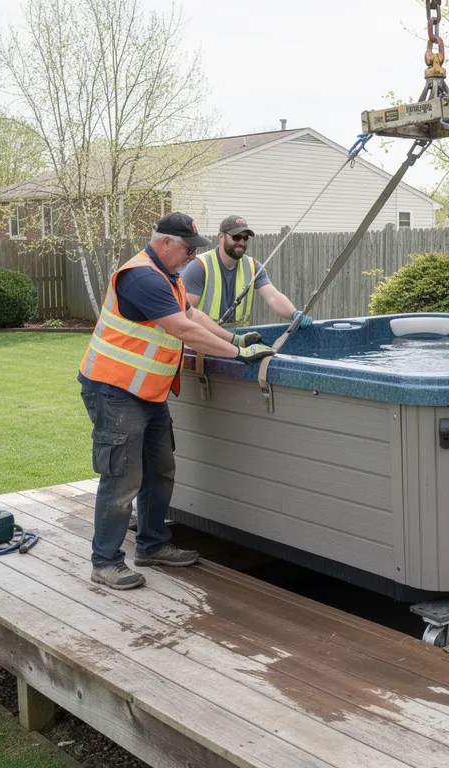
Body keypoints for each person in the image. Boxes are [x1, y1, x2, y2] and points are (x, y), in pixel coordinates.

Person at [78, 212, 275, 590]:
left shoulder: (167, 275)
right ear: (165, 242)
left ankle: (152, 545)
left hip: (148, 391)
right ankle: (105, 562)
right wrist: (237, 357)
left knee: (161, 469)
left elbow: (190, 313)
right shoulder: (141, 277)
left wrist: (235, 340)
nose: (190, 257)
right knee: (122, 478)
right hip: (114, 391)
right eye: (186, 249)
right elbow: (183, 329)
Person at [181, 215, 313, 329]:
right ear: (221, 237)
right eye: (236, 237)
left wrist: (294, 314)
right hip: (203, 345)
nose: (242, 242)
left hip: (238, 341)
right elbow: (185, 313)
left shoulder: (253, 267)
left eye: (245, 238)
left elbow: (273, 296)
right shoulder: (199, 266)